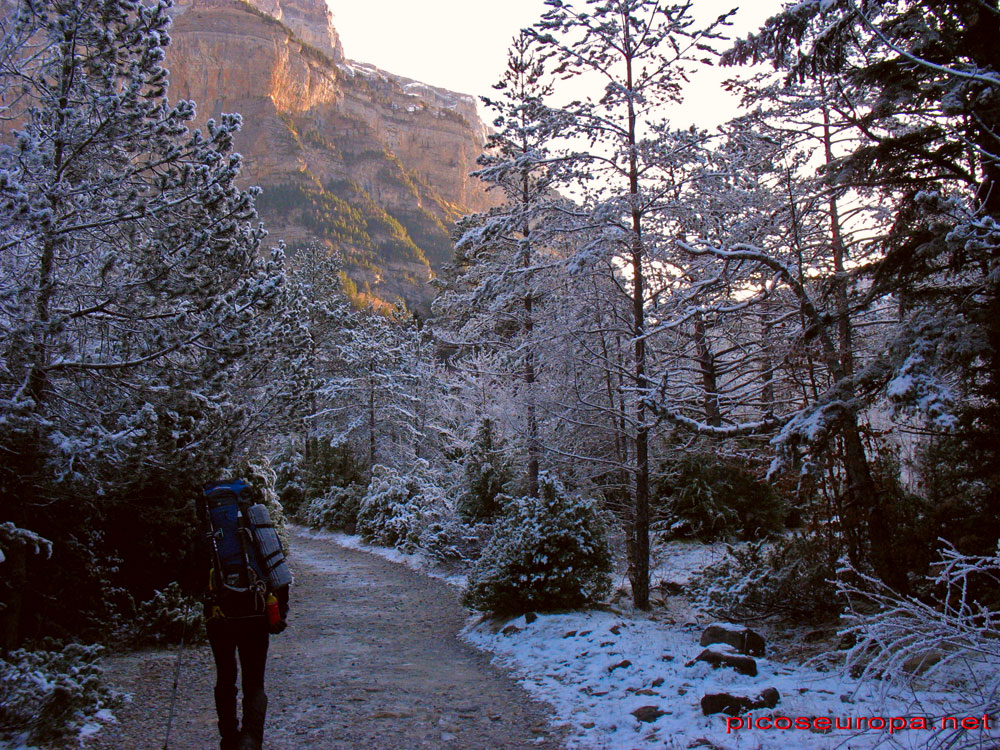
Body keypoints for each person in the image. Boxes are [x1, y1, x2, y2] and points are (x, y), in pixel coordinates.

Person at [202, 481, 290, 750]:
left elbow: (187, 577)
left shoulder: (207, 528)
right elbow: (277, 566)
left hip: (220, 616)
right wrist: (280, 612)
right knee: (254, 680)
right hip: (255, 611)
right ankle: (252, 739)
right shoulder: (256, 523)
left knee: (225, 677)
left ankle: (229, 737)